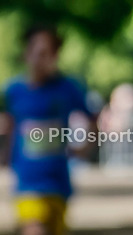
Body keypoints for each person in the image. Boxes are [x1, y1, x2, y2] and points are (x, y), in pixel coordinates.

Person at [2, 25, 94, 235]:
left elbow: (92, 119)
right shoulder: (13, 91)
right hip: (27, 183)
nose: (43, 59)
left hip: (58, 183)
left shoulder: (68, 88)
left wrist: (85, 148)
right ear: (27, 53)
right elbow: (9, 126)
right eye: (39, 52)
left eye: (50, 53)